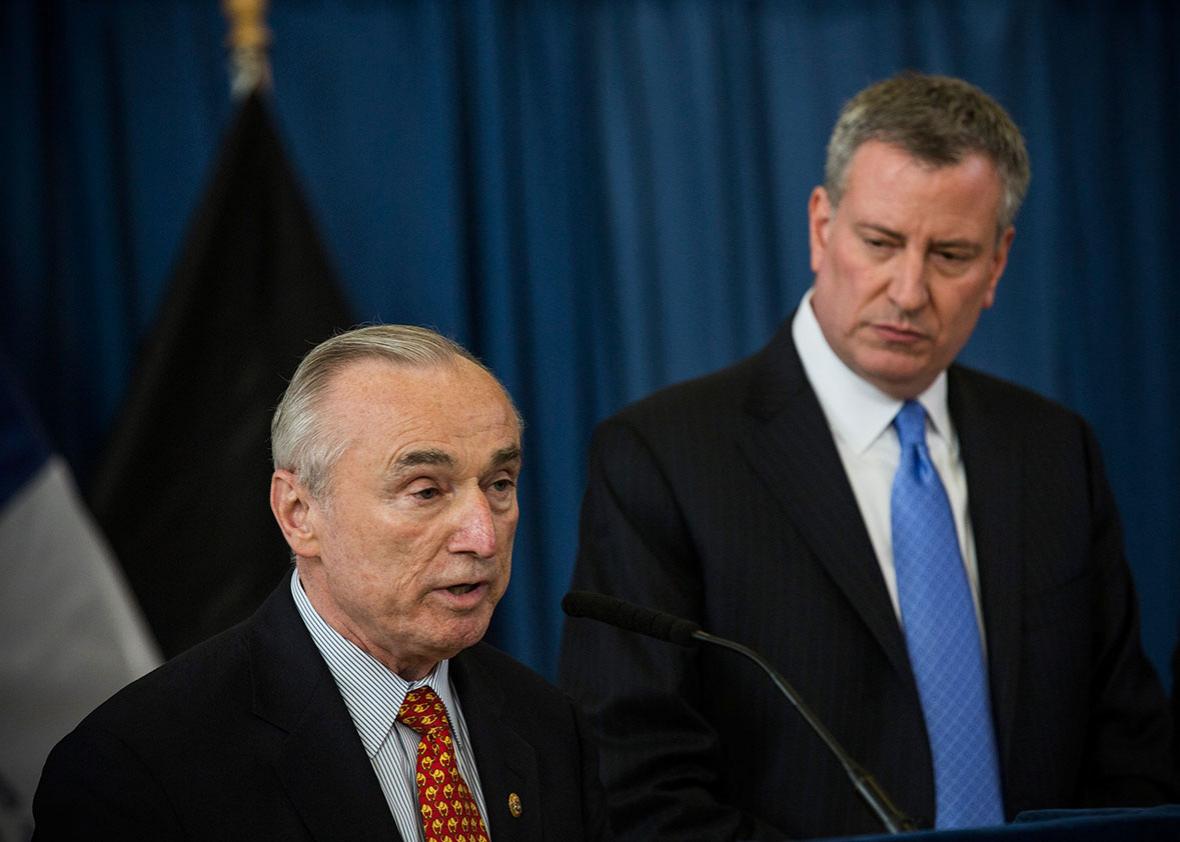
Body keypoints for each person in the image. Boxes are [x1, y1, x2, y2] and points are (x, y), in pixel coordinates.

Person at [559, 72, 1177, 840]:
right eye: (881, 243)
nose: (909, 290)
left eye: (951, 254)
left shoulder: (1054, 452)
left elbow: (1129, 751)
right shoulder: (663, 457)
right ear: (822, 228)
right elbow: (638, 790)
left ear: (999, 263)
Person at [34, 325, 609, 841]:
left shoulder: (548, 726)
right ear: (298, 513)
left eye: (500, 483)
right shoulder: (139, 766)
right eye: (426, 491)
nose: (482, 537)